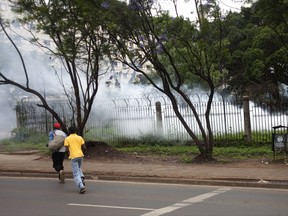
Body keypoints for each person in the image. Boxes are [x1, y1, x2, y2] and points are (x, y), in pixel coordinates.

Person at [64, 125, 86, 194]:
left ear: (69, 131)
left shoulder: (67, 139)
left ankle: (81, 186)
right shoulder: (80, 137)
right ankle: (82, 177)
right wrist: (79, 150)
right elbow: (84, 147)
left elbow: (66, 149)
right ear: (75, 131)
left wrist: (68, 154)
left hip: (73, 156)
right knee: (79, 168)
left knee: (75, 173)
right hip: (80, 155)